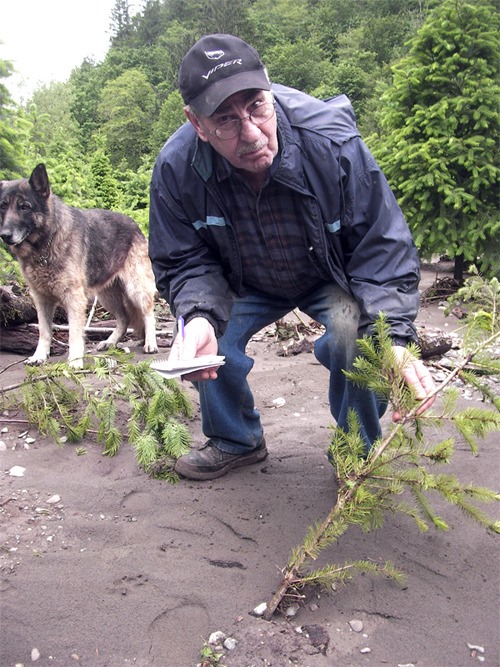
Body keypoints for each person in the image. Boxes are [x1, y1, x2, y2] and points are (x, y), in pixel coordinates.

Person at [148, 33, 435, 480]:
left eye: (257, 108)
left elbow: (382, 244)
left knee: (356, 335)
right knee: (206, 337)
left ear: (270, 89)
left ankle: (355, 452)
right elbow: (183, 262)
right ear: (196, 123)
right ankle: (235, 439)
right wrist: (199, 315)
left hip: (326, 273)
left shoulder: (331, 142)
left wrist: (395, 338)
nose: (250, 133)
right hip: (241, 281)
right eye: (225, 120)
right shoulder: (175, 169)